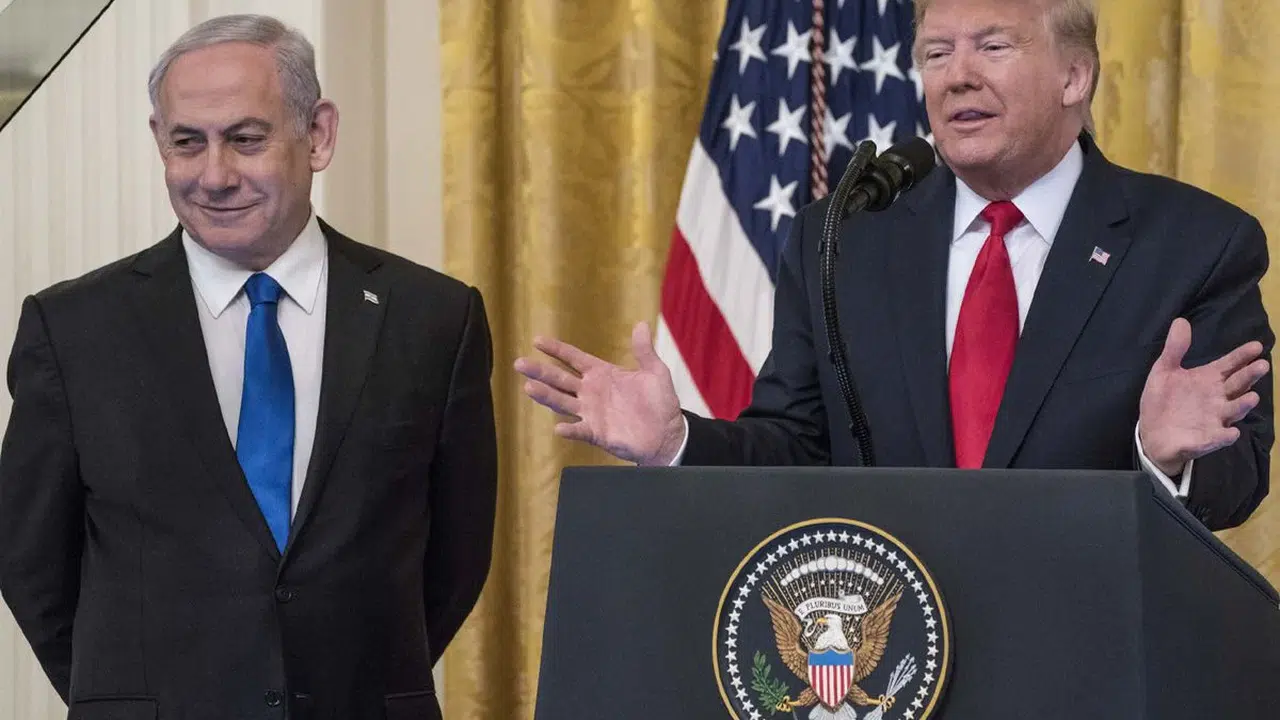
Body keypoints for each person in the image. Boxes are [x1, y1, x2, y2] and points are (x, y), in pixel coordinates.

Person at [514, 0, 1274, 532]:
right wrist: (678, 442)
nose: (957, 76)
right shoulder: (842, 239)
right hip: (888, 653)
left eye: (993, 47)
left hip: (1091, 652)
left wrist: (1163, 457)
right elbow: (797, 447)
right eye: (936, 53)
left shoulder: (1195, 245)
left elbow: (1237, 482)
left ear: (1075, 76)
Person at [0, 14, 496, 720]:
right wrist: (126, 696)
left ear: (317, 134)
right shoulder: (73, 328)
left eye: (245, 139)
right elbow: (30, 561)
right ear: (159, 140)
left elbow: (456, 557)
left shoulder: (434, 319)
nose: (214, 176)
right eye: (187, 143)